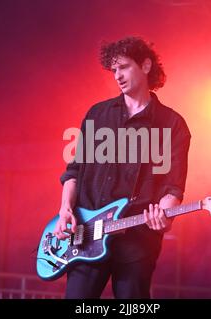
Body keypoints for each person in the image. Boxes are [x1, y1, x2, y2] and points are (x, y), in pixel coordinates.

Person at [54, 36, 191, 299]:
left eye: (124, 67)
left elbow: (174, 187)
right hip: (86, 234)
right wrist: (65, 209)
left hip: (137, 241)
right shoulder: (98, 114)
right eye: (114, 69)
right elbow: (74, 171)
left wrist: (165, 215)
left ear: (146, 66)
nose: (117, 75)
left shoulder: (172, 124)